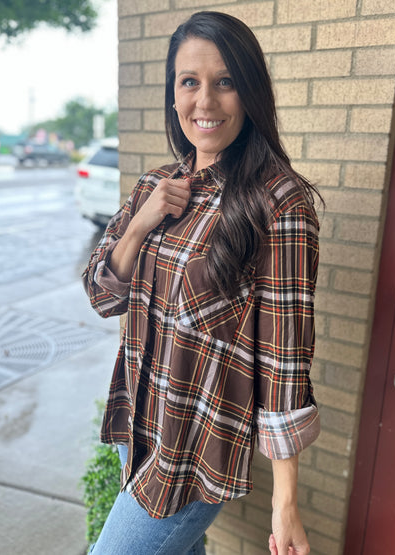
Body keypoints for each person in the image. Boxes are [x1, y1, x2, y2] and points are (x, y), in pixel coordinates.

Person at [83, 11, 321, 555]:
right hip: (137, 425)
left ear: (250, 92)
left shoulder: (279, 202)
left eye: (225, 82)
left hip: (194, 452)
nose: (205, 102)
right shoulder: (155, 184)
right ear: (173, 94)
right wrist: (141, 223)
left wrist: (287, 504)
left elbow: (284, 358)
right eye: (190, 82)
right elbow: (102, 296)